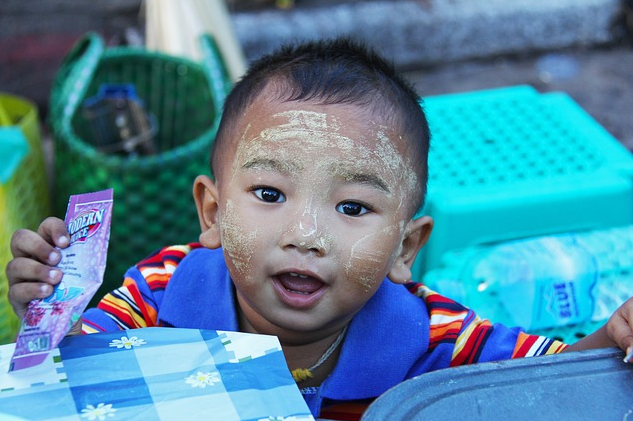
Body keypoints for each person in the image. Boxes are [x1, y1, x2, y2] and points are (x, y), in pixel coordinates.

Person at [6, 37, 633, 419]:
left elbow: (549, 384)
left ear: (406, 247)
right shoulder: (160, 292)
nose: (306, 233)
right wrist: (49, 312)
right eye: (270, 193)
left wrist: (613, 335)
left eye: (353, 208)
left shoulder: (436, 337)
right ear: (213, 213)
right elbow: (79, 371)